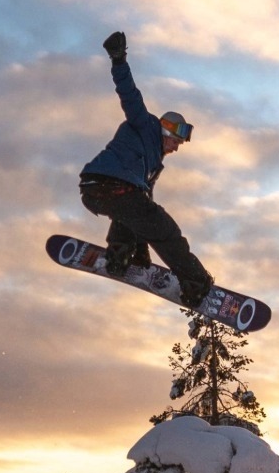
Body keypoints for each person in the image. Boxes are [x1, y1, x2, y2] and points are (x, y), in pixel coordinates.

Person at [79, 30, 216, 308]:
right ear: (166, 131)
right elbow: (129, 94)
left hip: (96, 189)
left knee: (136, 210)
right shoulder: (145, 125)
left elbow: (140, 208)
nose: (176, 148)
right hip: (113, 186)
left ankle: (120, 256)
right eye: (176, 141)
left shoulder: (151, 166)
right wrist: (119, 60)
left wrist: (141, 253)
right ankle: (196, 283)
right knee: (166, 232)